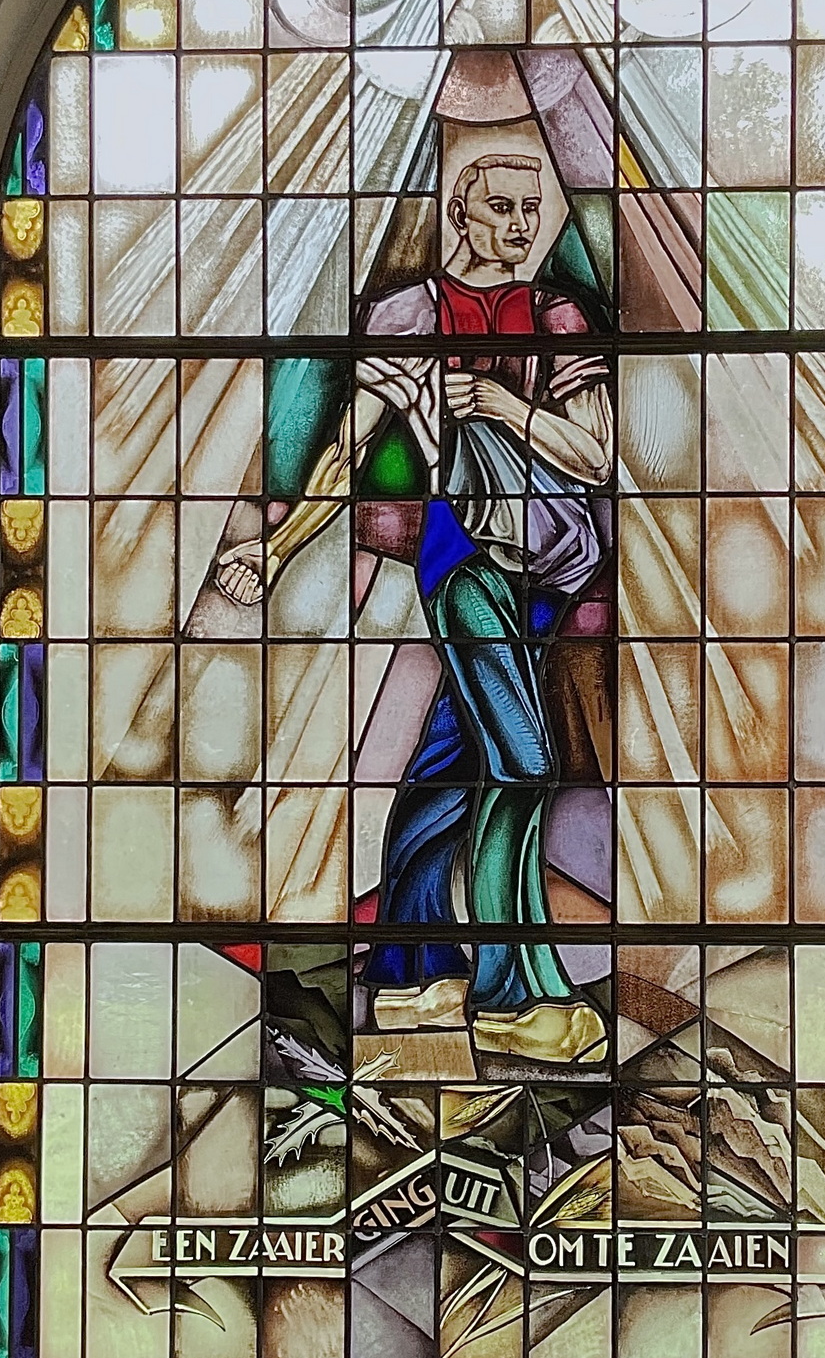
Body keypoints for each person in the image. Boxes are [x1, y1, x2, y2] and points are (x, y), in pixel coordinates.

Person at [217, 147, 612, 1067]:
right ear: (461, 213)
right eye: (502, 207)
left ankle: (410, 967)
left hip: (544, 570)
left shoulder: (559, 314)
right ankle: (517, 991)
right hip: (464, 559)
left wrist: (504, 409)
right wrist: (274, 550)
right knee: (521, 763)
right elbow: (346, 449)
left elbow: (591, 456)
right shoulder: (411, 318)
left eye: (532, 209)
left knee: (452, 760)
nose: (520, 226)